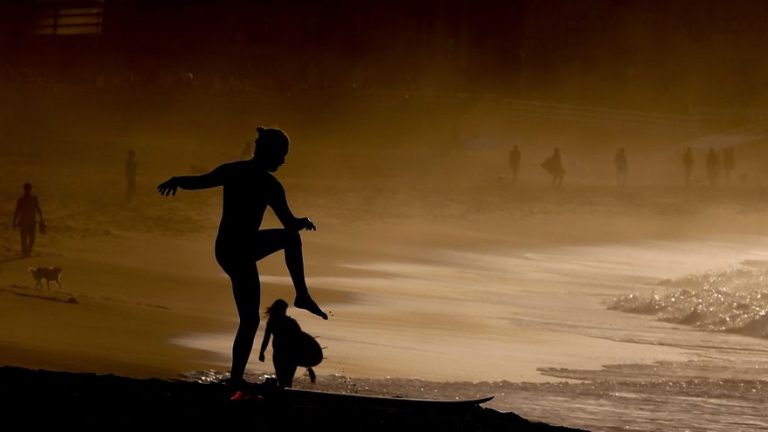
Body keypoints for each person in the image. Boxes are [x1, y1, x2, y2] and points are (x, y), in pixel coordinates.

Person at [157, 126, 327, 396]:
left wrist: (176, 179)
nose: (284, 160)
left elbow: (199, 181)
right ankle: (302, 295)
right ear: (270, 152)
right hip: (241, 249)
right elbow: (288, 225)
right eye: (282, 154)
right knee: (289, 242)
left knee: (249, 319)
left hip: (227, 249)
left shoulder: (235, 170)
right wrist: (300, 223)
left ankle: (236, 378)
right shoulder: (270, 185)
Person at [258, 299, 323, 389]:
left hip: (290, 356)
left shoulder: (283, 322)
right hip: (281, 355)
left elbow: (301, 344)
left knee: (285, 381)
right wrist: (261, 352)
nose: (284, 312)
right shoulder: (279, 322)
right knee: (283, 381)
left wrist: (309, 368)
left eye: (285, 310)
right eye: (283, 310)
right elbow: (266, 338)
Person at [13, 182, 44, 258]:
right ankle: (25, 253)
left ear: (30, 189)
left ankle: (28, 251)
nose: (27, 190)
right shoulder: (21, 199)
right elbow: (17, 210)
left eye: (29, 188)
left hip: (31, 221)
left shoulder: (33, 198)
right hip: (24, 221)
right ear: (24, 189)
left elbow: (38, 208)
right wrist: (14, 221)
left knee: (31, 238)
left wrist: (41, 218)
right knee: (24, 238)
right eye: (26, 188)